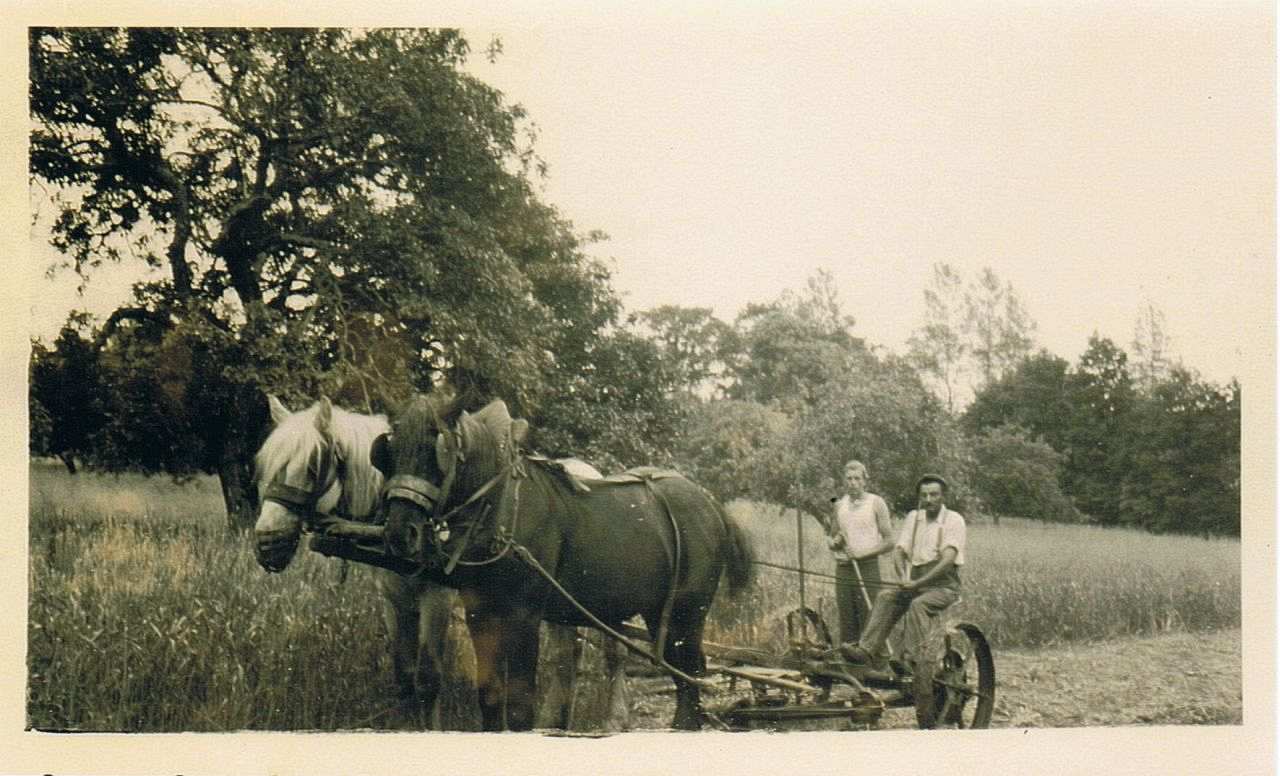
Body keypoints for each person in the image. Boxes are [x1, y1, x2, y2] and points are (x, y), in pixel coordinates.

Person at [842, 473, 966, 671]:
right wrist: (903, 577)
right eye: (924, 495)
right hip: (915, 583)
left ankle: (909, 658)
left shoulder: (953, 520)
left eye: (934, 495)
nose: (928, 500)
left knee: (918, 605)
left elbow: (948, 560)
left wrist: (917, 583)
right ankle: (866, 650)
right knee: (885, 597)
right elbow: (899, 551)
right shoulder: (914, 518)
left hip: (943, 587)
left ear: (944, 497)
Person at [823, 460, 895, 646]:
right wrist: (835, 542)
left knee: (870, 618)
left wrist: (861, 554)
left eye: (857, 478)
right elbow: (833, 539)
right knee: (847, 620)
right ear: (844, 481)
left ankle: (872, 665)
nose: (852, 483)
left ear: (865, 480)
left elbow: (889, 542)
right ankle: (849, 665)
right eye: (849, 479)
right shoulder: (840, 505)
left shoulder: (876, 503)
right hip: (844, 569)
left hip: (867, 567)